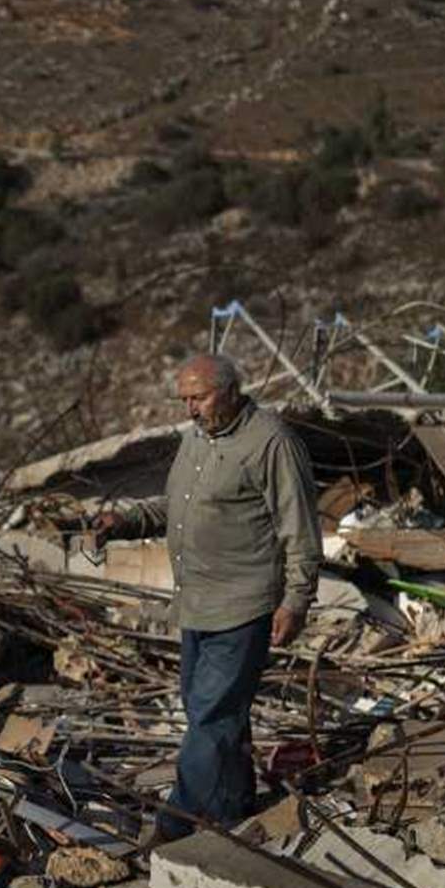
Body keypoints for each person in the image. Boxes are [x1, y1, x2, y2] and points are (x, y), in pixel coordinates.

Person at [145, 353, 323, 839]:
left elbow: (300, 530)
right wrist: (124, 521)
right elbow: (176, 508)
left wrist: (296, 601)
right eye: (184, 399)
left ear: (229, 390)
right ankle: (232, 808)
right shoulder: (195, 440)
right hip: (197, 604)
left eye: (198, 398)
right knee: (218, 714)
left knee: (211, 715)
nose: (190, 409)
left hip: (243, 606)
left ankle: (176, 822)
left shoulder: (271, 442)